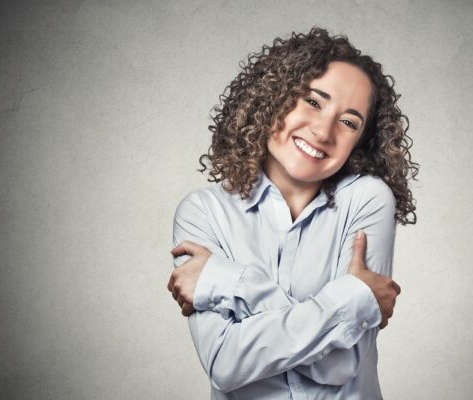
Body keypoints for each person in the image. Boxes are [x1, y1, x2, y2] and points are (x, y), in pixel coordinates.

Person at [167, 26, 418, 400]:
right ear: (271, 99)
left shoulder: (368, 199)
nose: (323, 130)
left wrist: (230, 283)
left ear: (361, 143)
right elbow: (224, 365)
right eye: (313, 102)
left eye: (349, 122)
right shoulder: (203, 212)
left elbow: (340, 364)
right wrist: (348, 302)